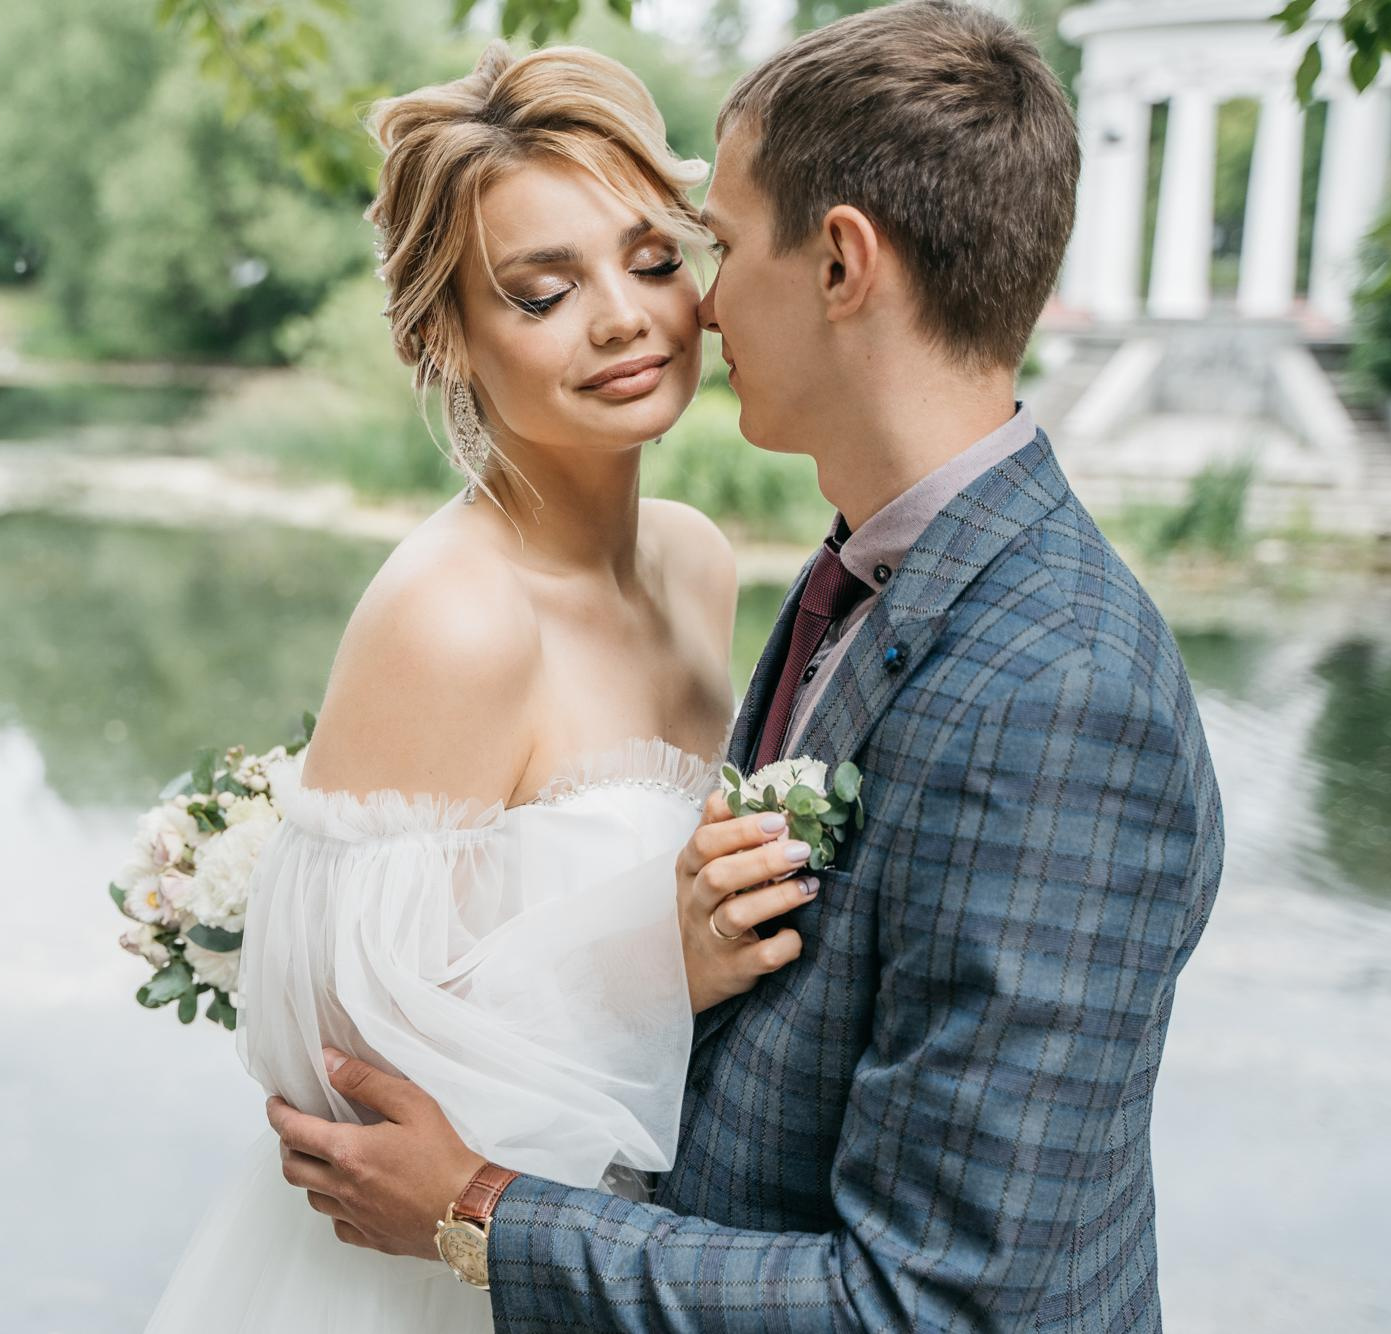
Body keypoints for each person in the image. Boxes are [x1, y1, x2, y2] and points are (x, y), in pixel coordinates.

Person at [266, 3, 1227, 1330]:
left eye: (688, 250)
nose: (686, 307)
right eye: (545, 290)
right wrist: (649, 956)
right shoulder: (857, 570)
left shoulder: (1055, 692)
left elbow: (952, 1303)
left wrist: (484, 1207)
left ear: (840, 265)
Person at [142, 41, 813, 1334]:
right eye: (541, 290)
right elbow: (331, 1061)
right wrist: (658, 957)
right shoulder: (454, 614)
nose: (623, 315)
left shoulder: (696, 560)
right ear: (442, 331)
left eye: (653, 258)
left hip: (651, 1246)